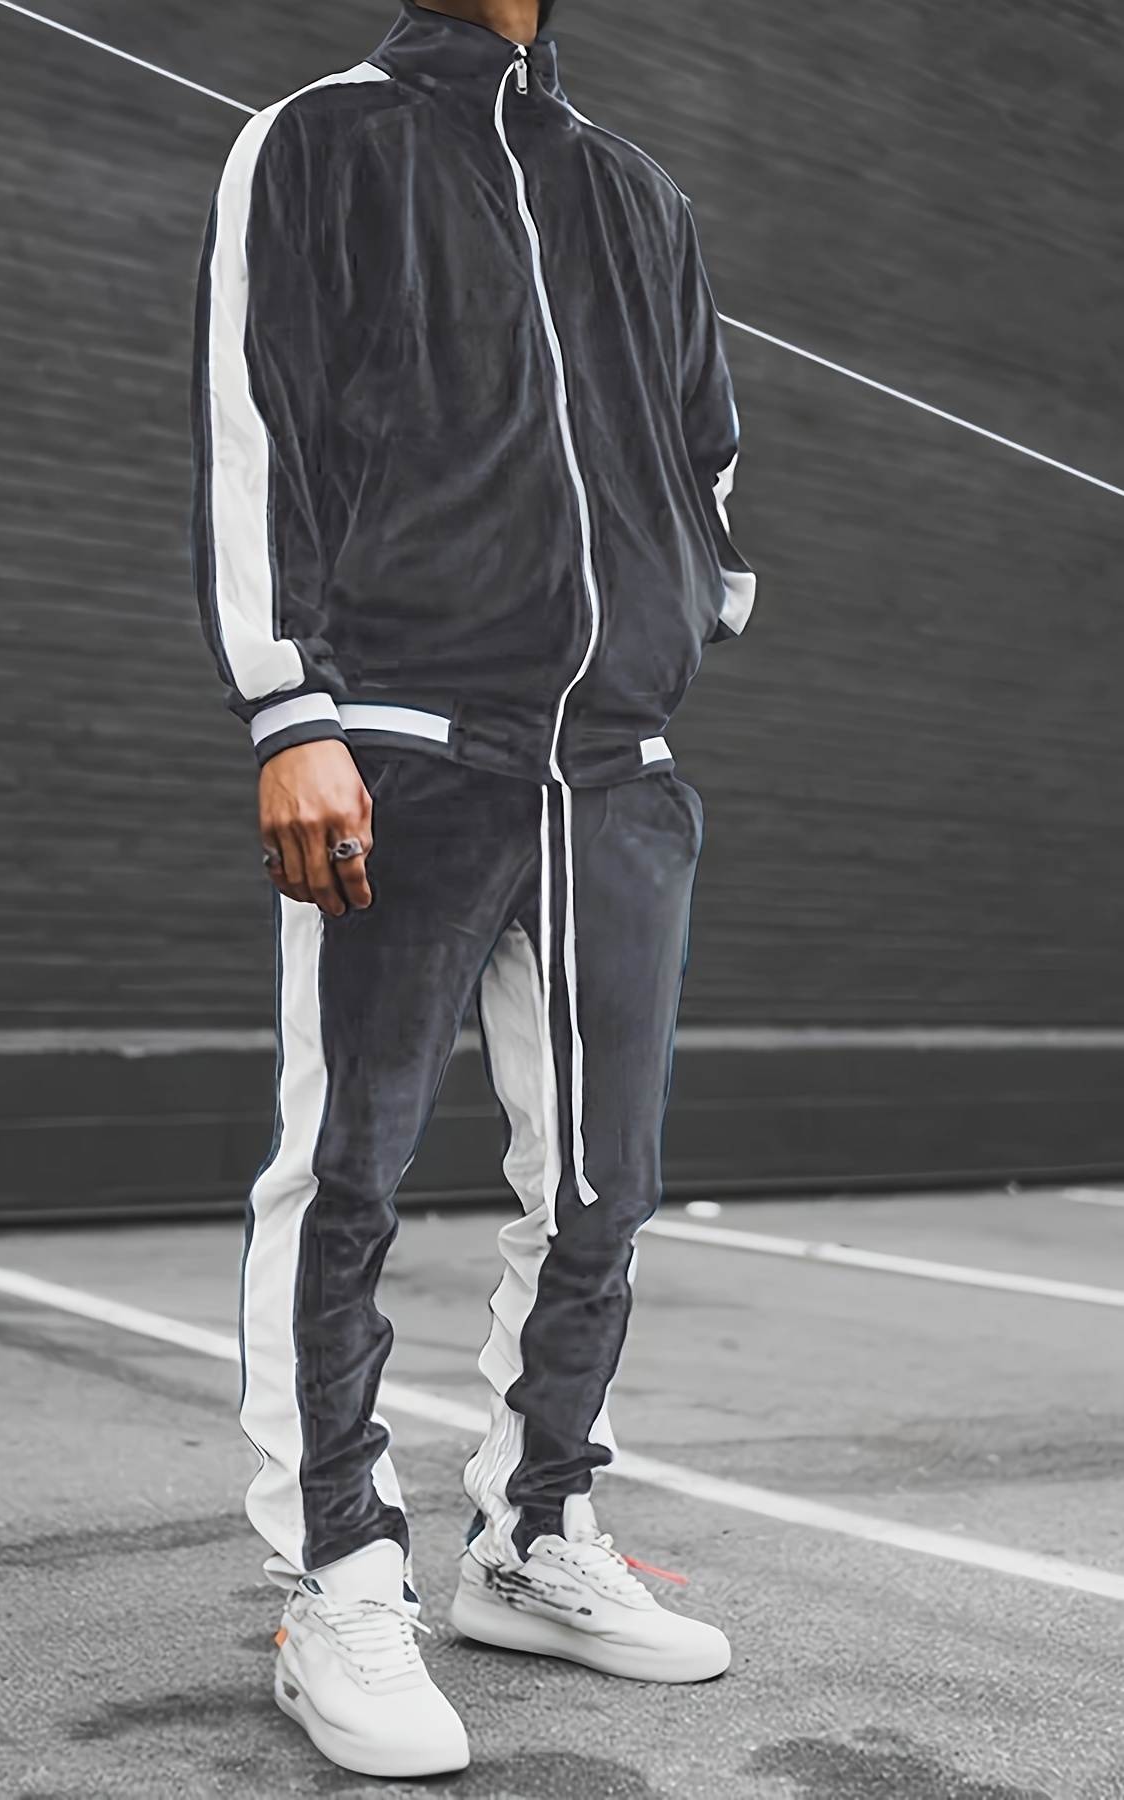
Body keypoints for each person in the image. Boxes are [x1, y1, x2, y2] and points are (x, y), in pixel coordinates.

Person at [191, 0, 755, 1777]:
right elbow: (256, 423)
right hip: (403, 744)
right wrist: (289, 708)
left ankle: (532, 1534)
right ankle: (337, 1576)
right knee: (345, 1169)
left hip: (616, 769)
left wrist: (693, 584)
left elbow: (707, 441)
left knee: (600, 1182)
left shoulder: (634, 192)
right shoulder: (320, 138)